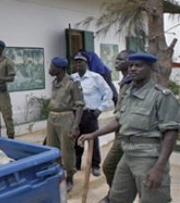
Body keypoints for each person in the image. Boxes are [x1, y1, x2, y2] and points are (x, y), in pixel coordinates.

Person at [78, 52, 180, 203]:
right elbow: (118, 121)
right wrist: (94, 134)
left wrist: (159, 168)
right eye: (131, 65)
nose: (133, 69)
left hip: (148, 158)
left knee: (153, 200)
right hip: (127, 154)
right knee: (117, 198)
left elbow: (171, 133)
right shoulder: (129, 94)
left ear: (150, 68)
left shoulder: (162, 96)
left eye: (139, 65)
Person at [99, 50, 133, 203]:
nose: (116, 61)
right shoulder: (124, 82)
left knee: (109, 166)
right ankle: (114, 194)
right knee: (116, 167)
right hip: (119, 130)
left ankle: (117, 196)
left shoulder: (134, 82)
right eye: (116, 58)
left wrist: (96, 133)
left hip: (127, 132)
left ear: (130, 61)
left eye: (120, 59)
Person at [71, 52, 112, 176]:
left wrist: (100, 108)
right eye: (76, 62)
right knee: (76, 140)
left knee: (93, 140)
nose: (78, 64)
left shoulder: (96, 77)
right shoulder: (72, 78)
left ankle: (95, 165)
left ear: (86, 63)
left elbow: (107, 92)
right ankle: (76, 164)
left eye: (81, 62)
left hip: (90, 114)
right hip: (75, 115)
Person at [46, 57, 85, 191]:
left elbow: (79, 105)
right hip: (52, 117)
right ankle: (57, 173)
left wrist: (75, 125)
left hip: (66, 117)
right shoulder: (54, 82)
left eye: (52, 67)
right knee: (52, 148)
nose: (50, 69)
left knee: (67, 149)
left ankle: (69, 176)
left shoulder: (72, 83)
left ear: (60, 68)